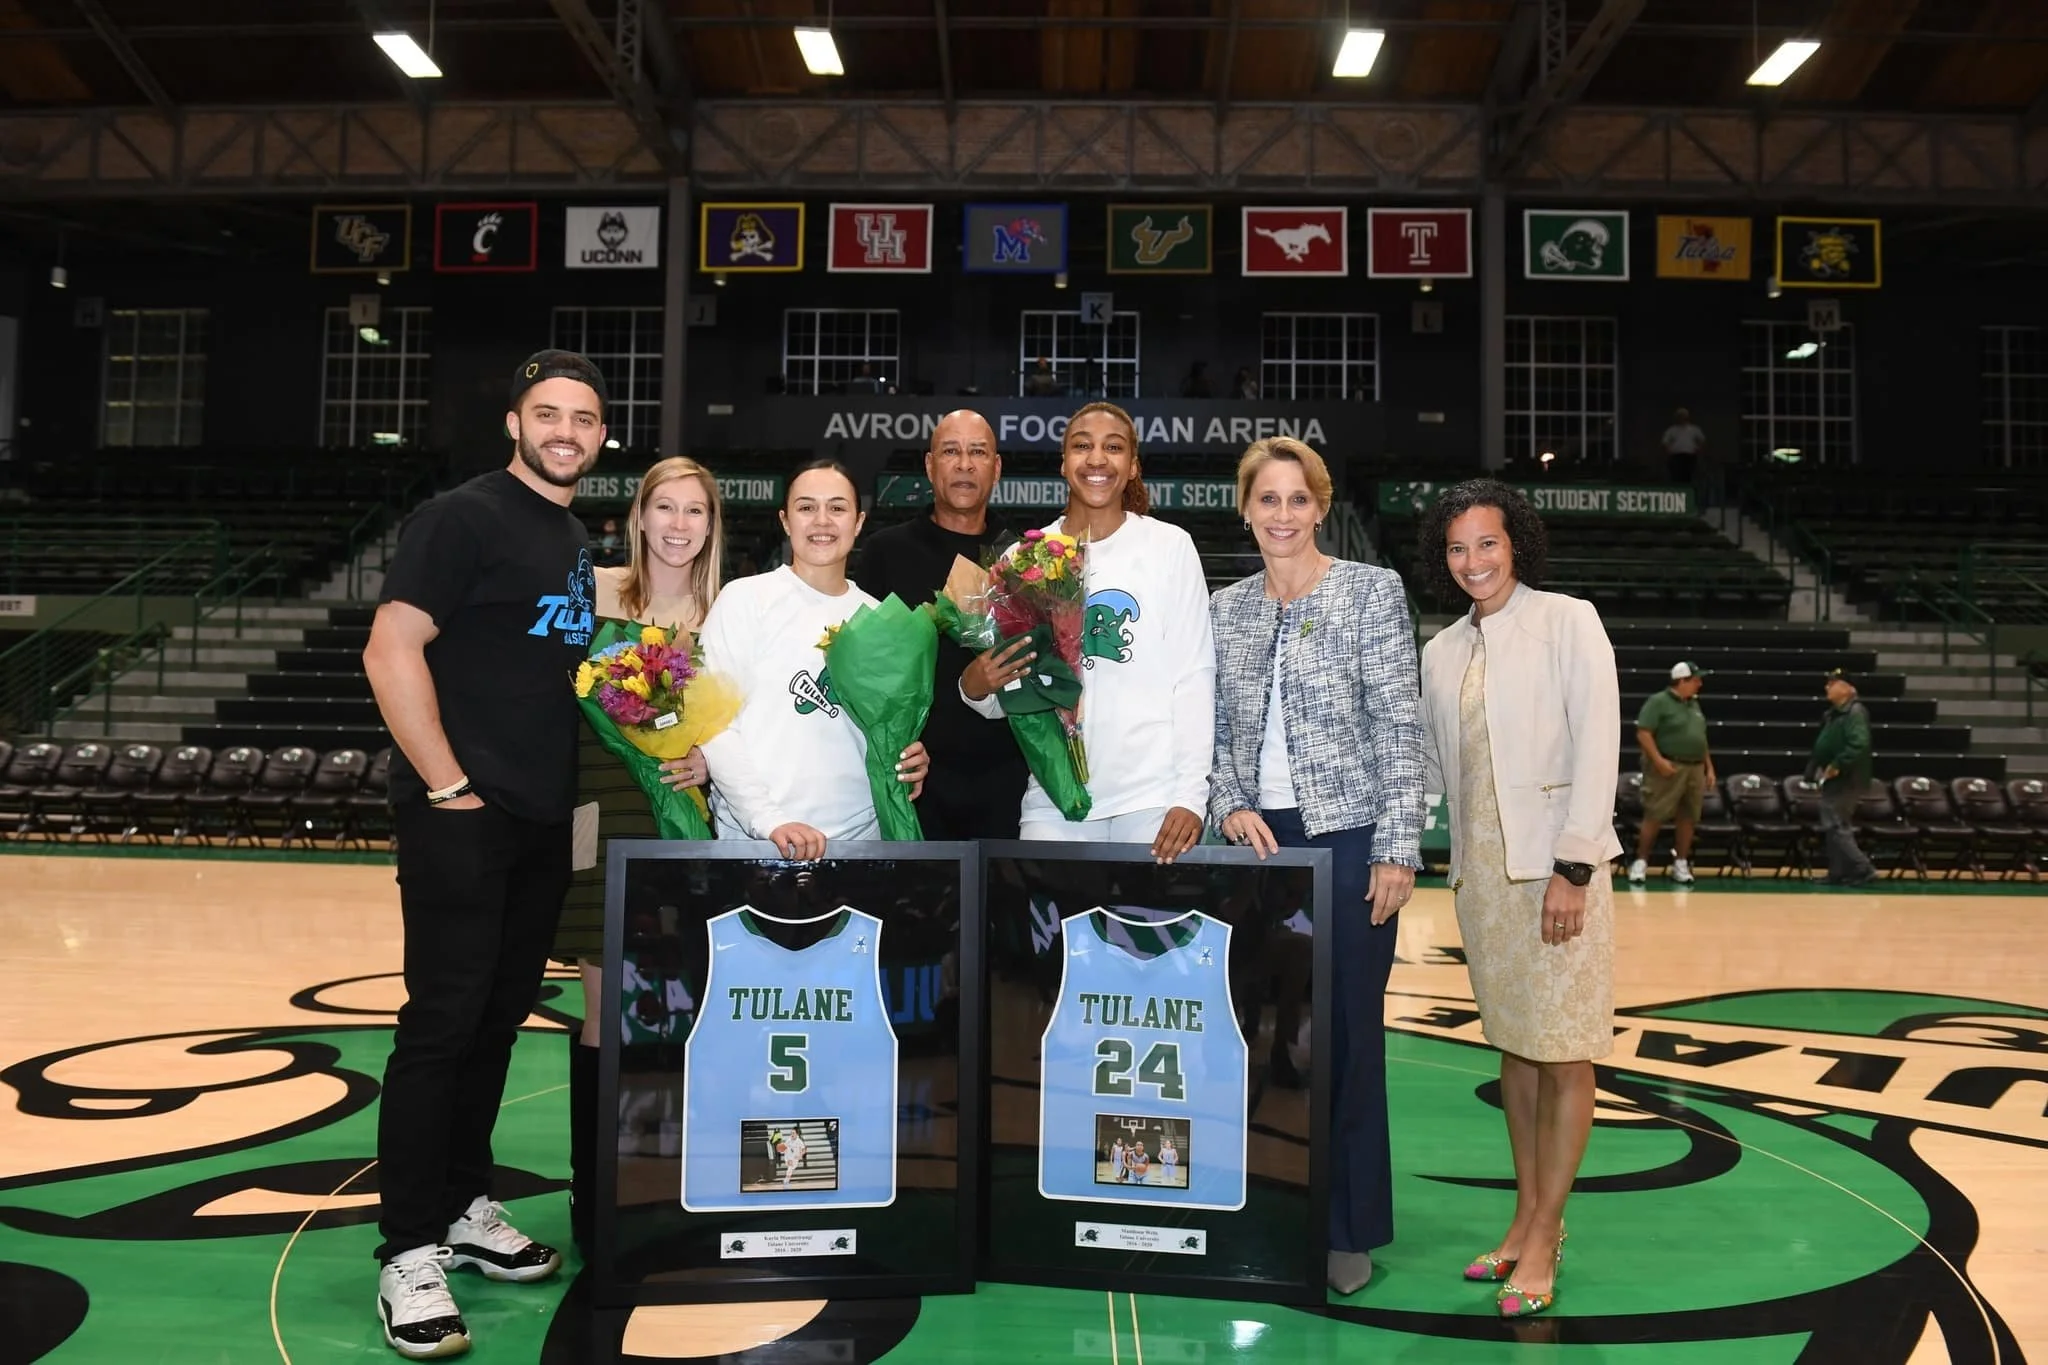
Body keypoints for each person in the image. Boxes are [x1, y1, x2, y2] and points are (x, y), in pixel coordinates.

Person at [362, 349, 608, 1359]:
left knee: (497, 1022)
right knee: (442, 1023)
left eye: (583, 419)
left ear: (600, 437)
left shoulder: (569, 533)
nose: (565, 431)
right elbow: (390, 645)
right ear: (514, 422)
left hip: (541, 821)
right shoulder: (461, 516)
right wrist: (447, 786)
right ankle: (406, 1248)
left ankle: (464, 1205)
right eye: (547, 413)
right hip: (465, 812)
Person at [1207, 436, 1425, 1297]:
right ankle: (1262, 1205)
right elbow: (1213, 735)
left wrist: (1399, 846)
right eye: (1269, 499)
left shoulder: (1372, 591)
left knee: (1343, 1038)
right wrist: (1228, 800)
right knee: (1254, 1031)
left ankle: (1347, 1223)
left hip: (1347, 839)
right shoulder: (1225, 608)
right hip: (1256, 845)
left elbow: (1400, 727)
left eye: (1299, 499)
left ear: (1322, 506)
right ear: (1246, 508)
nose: (1284, 514)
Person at [1416, 478, 1620, 1322]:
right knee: (1517, 1045)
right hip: (1483, 881)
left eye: (1488, 544)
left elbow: (1600, 737)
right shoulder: (1440, 651)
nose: (1474, 562)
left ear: (1517, 544)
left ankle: (1547, 1231)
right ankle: (1523, 1215)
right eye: (1458, 548)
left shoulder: (1568, 620)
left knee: (1564, 1048)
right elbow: (1431, 771)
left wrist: (1574, 868)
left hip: (1555, 872)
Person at [552, 456, 724, 1255]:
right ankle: (596, 1198)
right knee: (602, 1015)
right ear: (640, 514)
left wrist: (708, 763)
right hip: (600, 820)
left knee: (690, 1008)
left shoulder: (727, 614)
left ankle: (671, 1184)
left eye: (695, 510)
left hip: (687, 825)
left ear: (711, 525)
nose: (679, 524)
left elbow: (744, 732)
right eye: (666, 507)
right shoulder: (594, 592)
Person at [960, 402, 1214, 859]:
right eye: (1082, 446)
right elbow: (1018, 694)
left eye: (1113, 448)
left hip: (1152, 802)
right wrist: (975, 690)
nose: (1097, 459)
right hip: (1054, 798)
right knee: (1051, 932)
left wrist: (1191, 795)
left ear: (1133, 465)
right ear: (1063, 462)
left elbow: (1194, 676)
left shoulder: (1168, 546)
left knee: (1141, 931)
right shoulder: (1023, 557)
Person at [697, 460, 930, 858]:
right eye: (807, 508)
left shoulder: (880, 619)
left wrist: (908, 757)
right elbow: (714, 726)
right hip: (758, 843)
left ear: (858, 522)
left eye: (837, 508)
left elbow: (883, 730)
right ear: (785, 521)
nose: (822, 521)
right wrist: (768, 820)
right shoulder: (745, 600)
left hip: (859, 844)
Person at [856, 410, 1029, 838]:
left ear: (996, 467)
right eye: (951, 451)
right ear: (930, 465)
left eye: (978, 452)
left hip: (1008, 782)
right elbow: (865, 674)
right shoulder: (885, 553)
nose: (965, 464)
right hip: (913, 779)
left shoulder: (1023, 559)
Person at [1629, 660, 1715, 886]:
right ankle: (1641, 862)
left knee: (1689, 816)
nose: (1700, 684)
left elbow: (1701, 738)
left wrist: (1709, 767)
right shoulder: (1658, 702)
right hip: (1668, 767)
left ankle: (1681, 863)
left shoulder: (1694, 705)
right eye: (1696, 680)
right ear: (1681, 681)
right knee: (1655, 814)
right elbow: (1643, 733)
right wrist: (1658, 761)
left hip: (1694, 768)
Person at [1810, 667, 1875, 886]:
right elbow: (1824, 743)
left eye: (1833, 683)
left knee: (1837, 824)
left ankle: (1862, 867)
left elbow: (1859, 743)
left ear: (1848, 689)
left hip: (1847, 777)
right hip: (1832, 776)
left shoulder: (1854, 712)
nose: (1827, 686)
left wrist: (1838, 764)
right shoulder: (1832, 714)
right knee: (1832, 825)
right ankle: (1837, 872)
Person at [1661, 407, 1707, 488]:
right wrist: (1669, 450)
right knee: (1676, 476)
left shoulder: (1694, 429)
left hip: (1690, 456)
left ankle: (1688, 490)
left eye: (1684, 416)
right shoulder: (1672, 429)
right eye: (1680, 416)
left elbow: (1702, 440)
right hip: (1676, 456)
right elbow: (1665, 441)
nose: (1682, 418)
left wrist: (1698, 449)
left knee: (1689, 475)